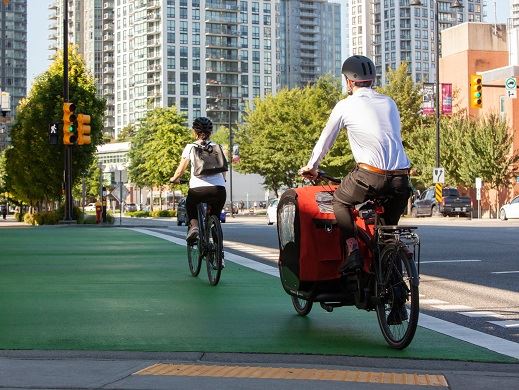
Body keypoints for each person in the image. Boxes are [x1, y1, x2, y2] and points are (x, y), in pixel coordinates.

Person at [299, 55, 411, 275]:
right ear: (372, 79)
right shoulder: (389, 102)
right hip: (401, 178)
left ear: (349, 81)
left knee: (339, 201)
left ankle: (353, 253)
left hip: (370, 175)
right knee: (387, 233)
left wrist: (312, 167)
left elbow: (325, 141)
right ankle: (392, 285)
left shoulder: (345, 105)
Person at [170, 117, 227, 244]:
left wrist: (174, 179)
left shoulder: (190, 147)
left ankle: (194, 226)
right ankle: (218, 250)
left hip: (198, 190)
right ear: (210, 133)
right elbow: (223, 171)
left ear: (194, 132)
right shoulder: (218, 147)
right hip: (219, 190)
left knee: (190, 204)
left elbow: (180, 171)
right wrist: (222, 180)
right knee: (215, 215)